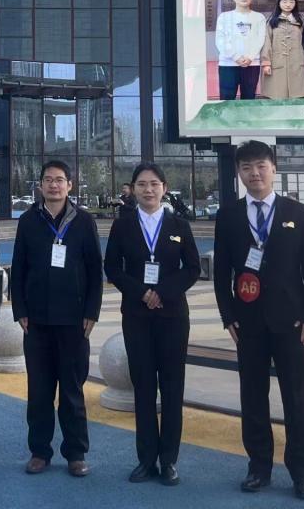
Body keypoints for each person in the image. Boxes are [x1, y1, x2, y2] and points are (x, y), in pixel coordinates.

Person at [213, 141, 304, 501]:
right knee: (253, 397)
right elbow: (221, 272)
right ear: (238, 173)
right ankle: (258, 467)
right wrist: (228, 315)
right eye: (246, 167)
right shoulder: (228, 215)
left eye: (261, 166)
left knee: (297, 398)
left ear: (274, 169)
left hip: (292, 324)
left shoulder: (298, 213)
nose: (254, 173)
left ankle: (301, 472)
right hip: (248, 325)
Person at [104, 162, 200, 487]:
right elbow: (112, 268)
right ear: (133, 189)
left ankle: (169, 459)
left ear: (164, 188)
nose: (148, 189)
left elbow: (192, 268)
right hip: (137, 316)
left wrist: (163, 292)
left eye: (154, 184)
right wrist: (142, 293)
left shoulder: (179, 225)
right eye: (142, 184)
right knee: (143, 388)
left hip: (173, 317)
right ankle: (146, 459)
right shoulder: (123, 225)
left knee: (172, 388)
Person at [11, 160, 102, 477]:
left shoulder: (84, 221)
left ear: (70, 185)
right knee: (39, 392)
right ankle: (40, 452)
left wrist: (91, 311)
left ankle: (76, 453)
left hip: (74, 321)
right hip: (36, 322)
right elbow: (18, 269)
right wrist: (20, 310)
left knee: (73, 392)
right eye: (48, 180)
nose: (54, 185)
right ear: (40, 185)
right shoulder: (28, 221)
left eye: (59, 180)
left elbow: (95, 270)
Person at [215, 0, 266, 100]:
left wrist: (250, 57)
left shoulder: (259, 17)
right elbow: (220, 39)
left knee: (249, 97)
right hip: (228, 63)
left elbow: (260, 39)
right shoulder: (224, 16)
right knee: (227, 98)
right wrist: (235, 56)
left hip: (251, 63)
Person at [261, 0, 304, 100]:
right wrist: (266, 62)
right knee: (277, 94)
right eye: (285, 2)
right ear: (279, 3)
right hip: (277, 61)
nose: (288, 4)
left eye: (291, 2)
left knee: (297, 96)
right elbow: (267, 42)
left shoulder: (300, 21)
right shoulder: (272, 21)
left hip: (296, 62)